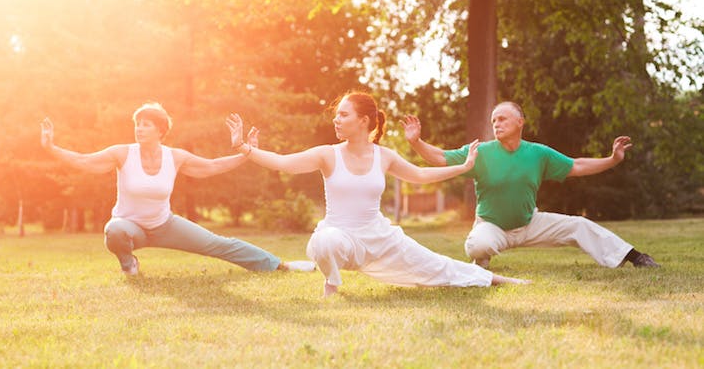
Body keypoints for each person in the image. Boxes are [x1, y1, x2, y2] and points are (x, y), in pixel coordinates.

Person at [226, 92, 529, 297]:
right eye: (337, 114)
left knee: (438, 265)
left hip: (380, 238)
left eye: (343, 115)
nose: (336, 119)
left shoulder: (384, 156)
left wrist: (463, 167)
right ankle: (331, 283)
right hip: (341, 235)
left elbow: (421, 175)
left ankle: (497, 279)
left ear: (364, 121)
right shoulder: (327, 155)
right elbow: (284, 163)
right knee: (323, 241)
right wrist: (244, 147)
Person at [40, 102, 315, 276]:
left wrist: (246, 151)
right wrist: (50, 148)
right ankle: (128, 264)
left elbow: (212, 167)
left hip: (164, 224)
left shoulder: (175, 156)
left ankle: (279, 265)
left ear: (160, 130)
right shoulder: (122, 153)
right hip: (129, 226)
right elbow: (84, 160)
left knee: (219, 244)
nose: (139, 129)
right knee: (114, 230)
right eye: (137, 124)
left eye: (146, 124)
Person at [401, 101, 660, 269]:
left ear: (519, 122)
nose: (496, 124)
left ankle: (635, 257)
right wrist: (416, 142)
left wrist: (613, 159)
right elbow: (440, 157)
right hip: (492, 225)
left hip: (529, 223)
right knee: (479, 245)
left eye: (502, 119)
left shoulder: (538, 153)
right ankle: (481, 262)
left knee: (579, 225)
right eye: (494, 121)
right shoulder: (481, 152)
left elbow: (577, 165)